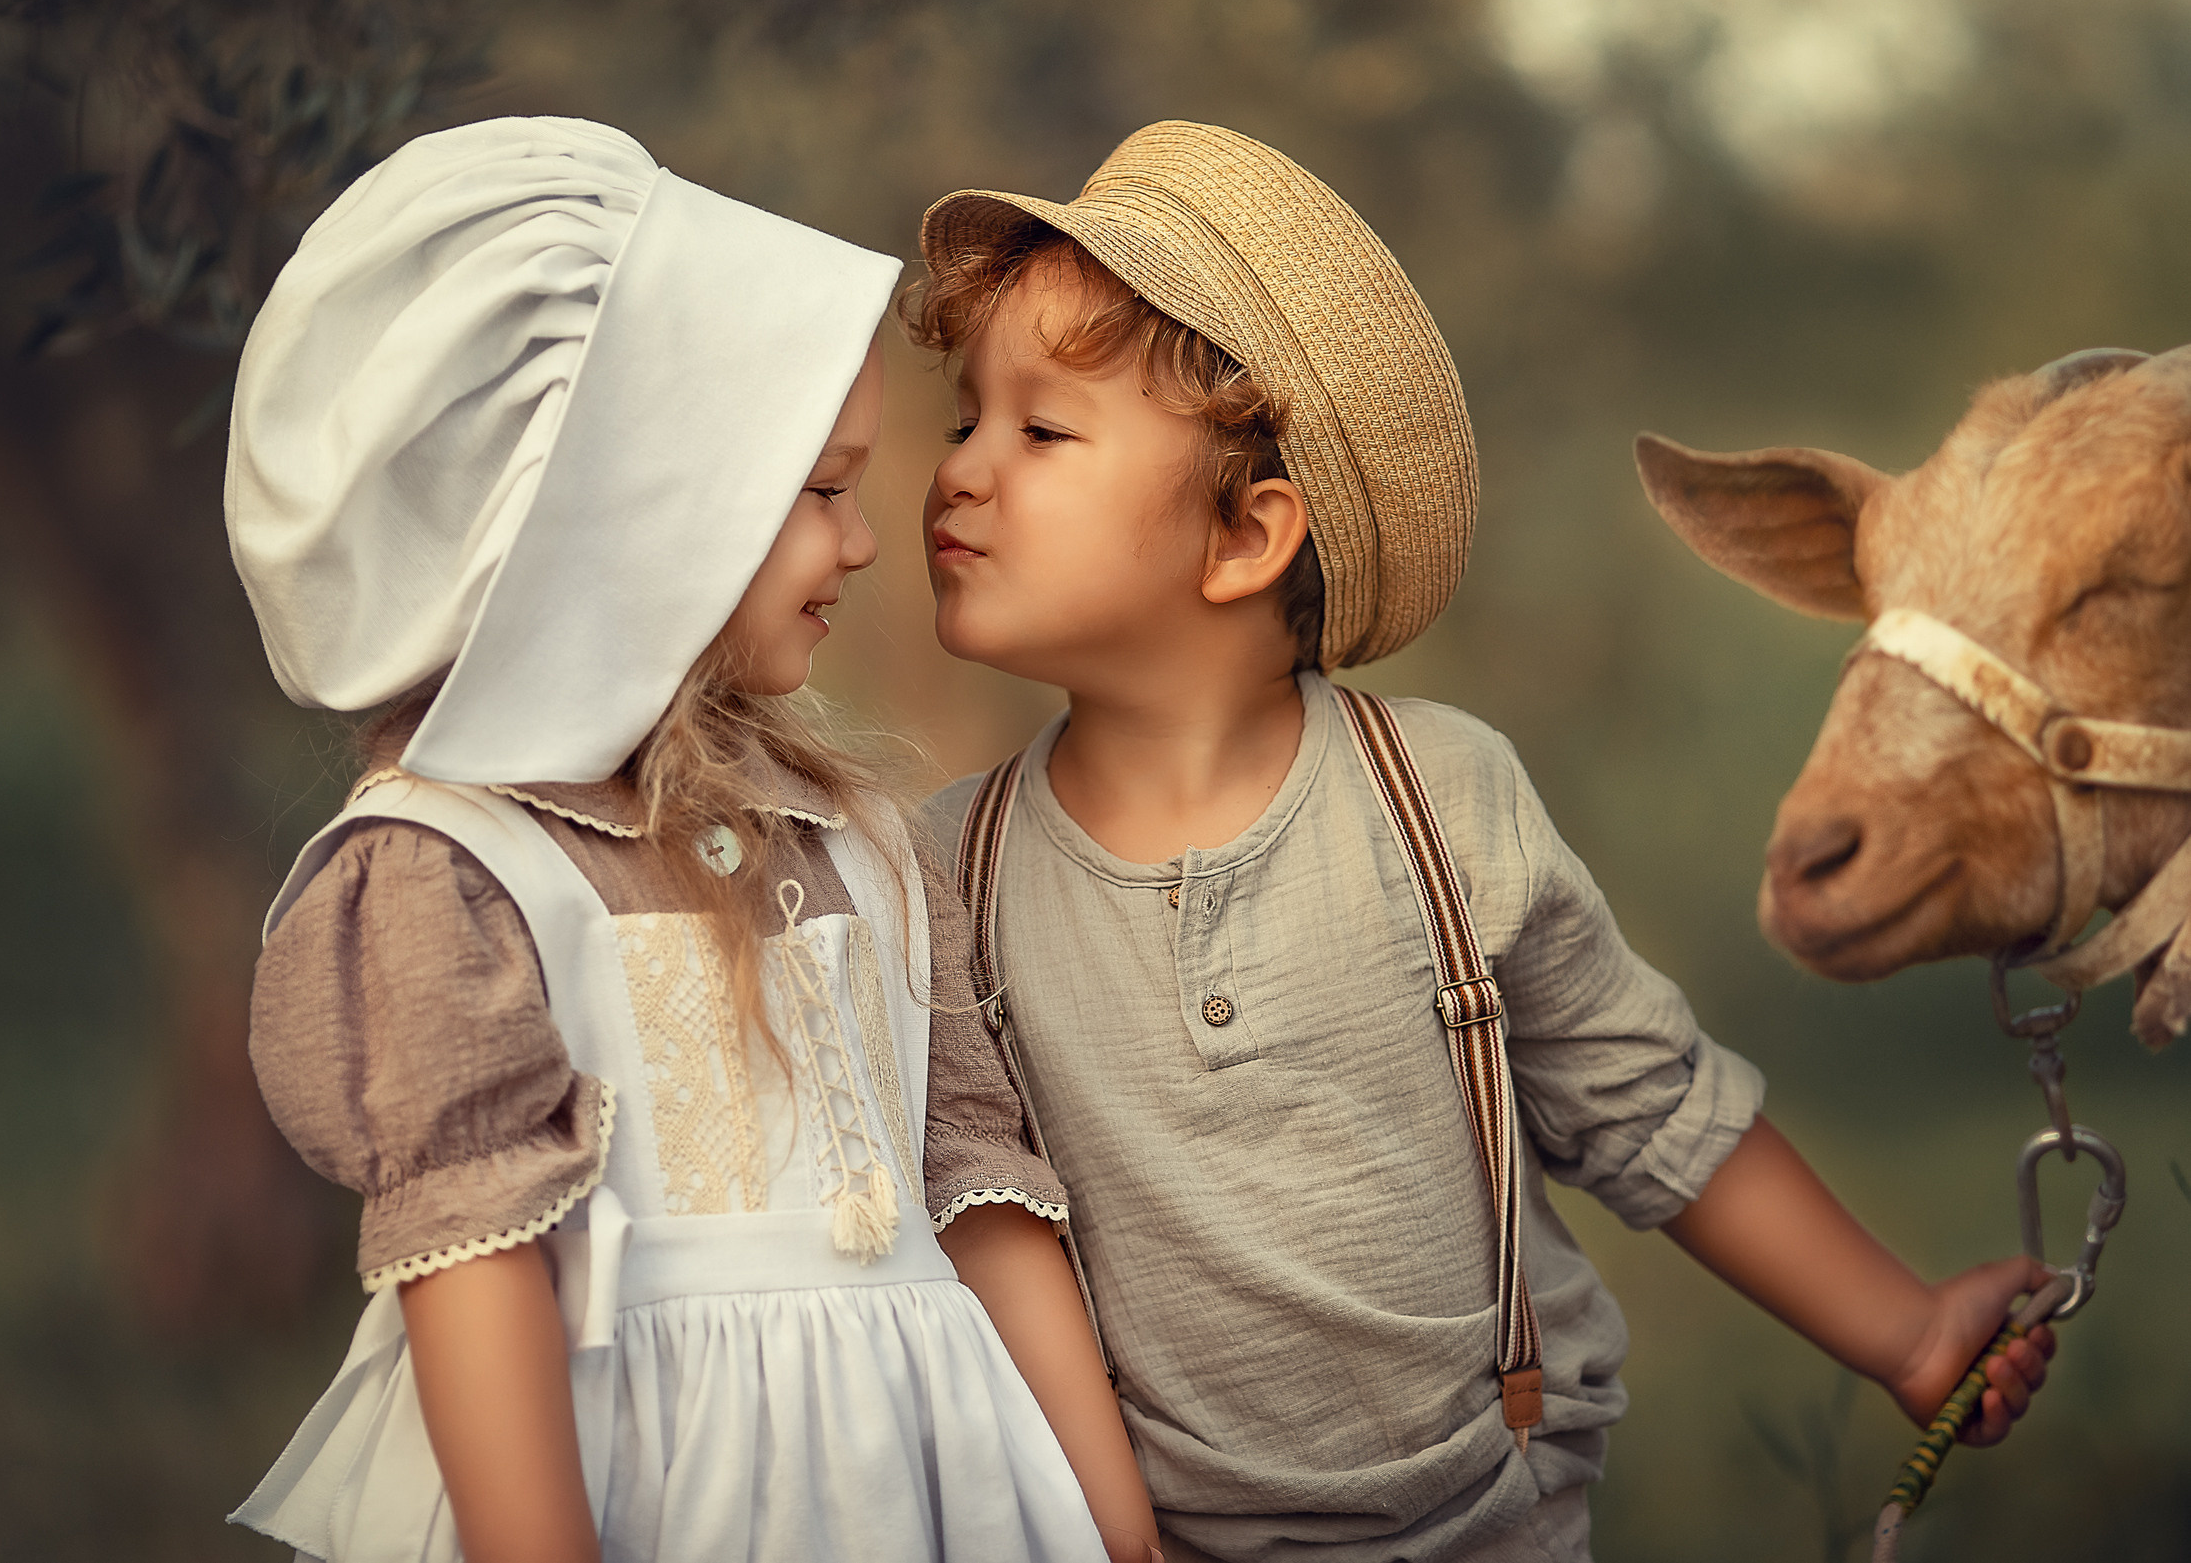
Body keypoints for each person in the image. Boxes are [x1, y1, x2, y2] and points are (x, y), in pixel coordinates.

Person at [903, 121, 2058, 1563]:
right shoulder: (948, 870)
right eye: (965, 420)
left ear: (1248, 536)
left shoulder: (1441, 800)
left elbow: (1647, 1106)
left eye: (1041, 430)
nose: (960, 471)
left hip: (1494, 1525)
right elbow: (982, 1225)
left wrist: (1905, 1324)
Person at [221, 116, 1160, 1563]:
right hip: (651, 1492)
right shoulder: (457, 876)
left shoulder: (860, 844)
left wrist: (1111, 1518)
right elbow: (479, 1270)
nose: (862, 542)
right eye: (823, 490)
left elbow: (969, 1172)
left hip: (921, 1490)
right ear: (648, 516)